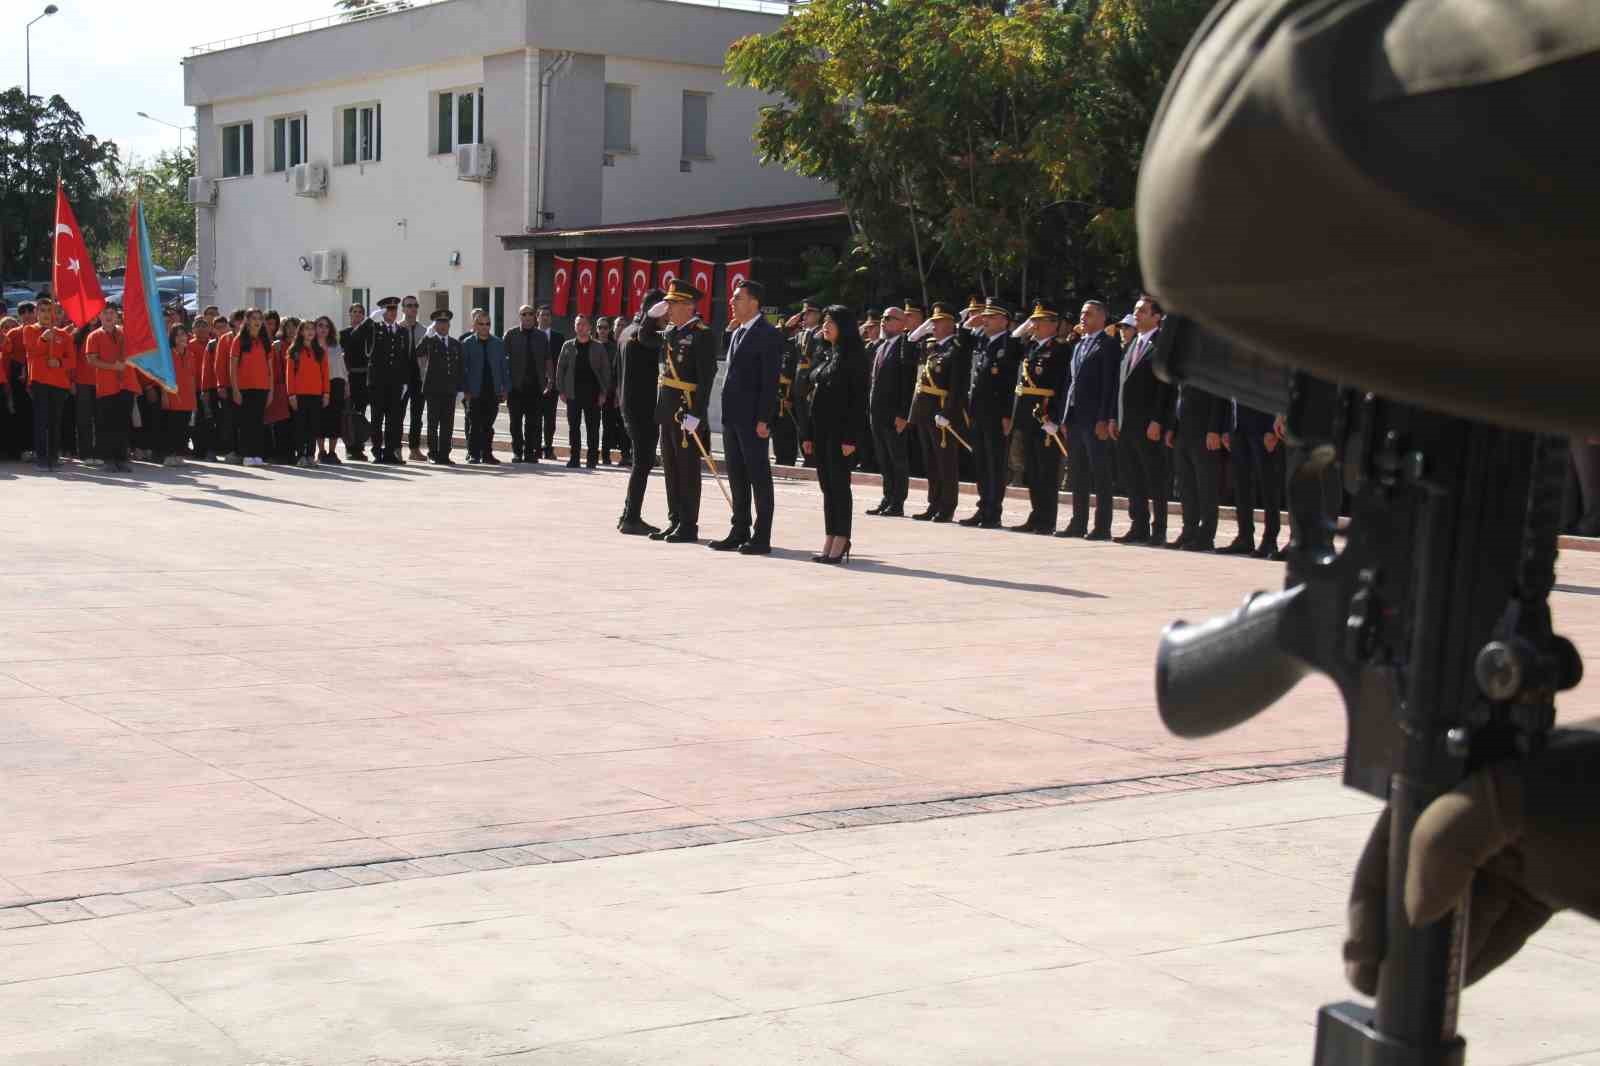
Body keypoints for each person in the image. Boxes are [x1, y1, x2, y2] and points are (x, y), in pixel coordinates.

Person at [710, 278, 784, 555]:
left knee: (758, 476)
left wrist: (764, 419)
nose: (732, 301)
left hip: (754, 419)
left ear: (754, 302)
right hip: (732, 417)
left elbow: (769, 381)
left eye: (738, 297)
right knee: (737, 476)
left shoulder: (768, 334)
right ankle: (739, 528)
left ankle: (761, 535)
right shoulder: (738, 331)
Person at [798, 304, 868, 564]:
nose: (825, 327)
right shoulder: (825, 352)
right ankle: (830, 535)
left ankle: (842, 536)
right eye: (824, 321)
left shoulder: (854, 357)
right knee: (827, 486)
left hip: (841, 433)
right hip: (821, 430)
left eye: (831, 322)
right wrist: (806, 434)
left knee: (839, 486)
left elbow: (858, 401)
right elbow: (809, 395)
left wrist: (851, 437)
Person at [652, 280, 717, 544]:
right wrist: (649, 316)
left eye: (673, 304)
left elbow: (706, 377)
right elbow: (643, 338)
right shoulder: (671, 332)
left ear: (688, 306)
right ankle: (675, 518)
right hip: (667, 408)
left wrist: (696, 415)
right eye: (667, 304)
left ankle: (689, 524)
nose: (668, 309)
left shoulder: (702, 334)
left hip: (686, 408)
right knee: (670, 466)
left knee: (687, 468)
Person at [1110, 295, 1174, 546]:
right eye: (1135, 310)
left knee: (1154, 478)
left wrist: (1158, 420)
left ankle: (1159, 530)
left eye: (1143, 311)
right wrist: (1114, 417)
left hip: (1149, 423)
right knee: (1132, 477)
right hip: (1127, 423)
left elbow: (1165, 388)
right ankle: (1139, 526)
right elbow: (1121, 385)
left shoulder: (1162, 345)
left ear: (1157, 317)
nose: (1136, 315)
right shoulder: (1130, 343)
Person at [1057, 300, 1120, 539]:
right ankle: (1078, 522)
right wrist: (1064, 414)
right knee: (1078, 472)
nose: (1083, 318)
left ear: (1103, 318)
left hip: (1095, 418)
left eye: (1089, 314)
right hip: (1074, 417)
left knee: (1100, 472)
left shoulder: (1109, 345)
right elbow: (1070, 382)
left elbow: (1109, 385)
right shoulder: (1078, 345)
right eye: (1082, 314)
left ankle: (1102, 526)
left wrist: (1104, 418)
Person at [1009, 301, 1071, 533]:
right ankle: (1035, 516)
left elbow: (1063, 385)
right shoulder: (1029, 347)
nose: (1034, 325)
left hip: (1045, 416)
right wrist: (1026, 326)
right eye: (1033, 321)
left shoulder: (1061, 349)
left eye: (1039, 321)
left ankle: (1047, 520)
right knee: (1032, 470)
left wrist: (1054, 417)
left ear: (1053, 325)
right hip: (1027, 416)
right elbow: (1011, 343)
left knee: (1046, 470)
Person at [907, 302, 970, 523]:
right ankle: (933, 503)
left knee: (946, 462)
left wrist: (948, 413)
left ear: (951, 324)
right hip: (924, 410)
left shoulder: (957, 349)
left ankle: (947, 506)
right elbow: (910, 341)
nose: (933, 325)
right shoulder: (930, 346)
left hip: (941, 411)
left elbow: (958, 387)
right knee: (931, 461)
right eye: (932, 321)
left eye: (938, 321)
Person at [960, 300, 1021, 529]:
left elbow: (1009, 384)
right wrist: (967, 325)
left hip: (997, 414)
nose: (984, 320)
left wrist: (1007, 414)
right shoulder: (982, 341)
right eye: (984, 316)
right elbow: (961, 345)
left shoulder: (1010, 344)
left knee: (995, 463)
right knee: (981, 463)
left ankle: (993, 512)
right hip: (977, 411)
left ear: (1004, 321)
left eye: (991, 317)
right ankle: (983, 506)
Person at [616, 289, 667, 536]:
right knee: (643, 462)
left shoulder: (626, 331)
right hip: (641, 407)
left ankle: (627, 513)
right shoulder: (640, 333)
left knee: (641, 461)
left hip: (628, 403)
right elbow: (650, 338)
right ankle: (632, 517)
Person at [1165, 380, 1229, 552]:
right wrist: (1172, 427)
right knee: (1187, 486)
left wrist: (1214, 429)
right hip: (1183, 430)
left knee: (1206, 486)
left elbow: (1218, 395)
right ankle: (1189, 530)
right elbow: (1179, 395)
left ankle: (1206, 536)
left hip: (1204, 430)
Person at [346, 297, 411, 463]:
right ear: (382, 312)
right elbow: (354, 337)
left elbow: (405, 358)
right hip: (377, 382)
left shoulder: (402, 331)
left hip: (395, 383)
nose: (392, 312)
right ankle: (377, 451)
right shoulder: (374, 328)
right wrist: (369, 320)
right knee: (377, 418)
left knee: (394, 419)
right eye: (388, 309)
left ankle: (390, 452)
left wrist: (404, 381)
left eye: (394, 309)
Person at [866, 306, 916, 517]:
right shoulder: (881, 346)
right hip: (877, 411)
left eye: (890, 318)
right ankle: (887, 497)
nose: (884, 322)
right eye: (883, 318)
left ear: (903, 323)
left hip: (894, 413)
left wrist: (904, 414)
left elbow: (908, 383)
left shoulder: (906, 346)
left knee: (897, 458)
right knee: (883, 458)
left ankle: (898, 502)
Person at [1220, 399, 1283, 558]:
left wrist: (1271, 427)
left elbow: (1271, 389)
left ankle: (1270, 539)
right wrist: (1226, 428)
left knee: (1268, 485)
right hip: (1237, 426)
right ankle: (1244, 537)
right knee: (1241, 484)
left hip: (1262, 426)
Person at [25, 296, 76, 470]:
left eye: (50, 311)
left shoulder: (64, 335)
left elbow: (72, 360)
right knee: (41, 420)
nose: (46, 314)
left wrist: (60, 362)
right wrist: (44, 339)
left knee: (55, 421)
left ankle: (54, 456)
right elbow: (31, 353)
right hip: (40, 381)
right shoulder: (30, 330)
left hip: (59, 384)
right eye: (43, 311)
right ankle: (41, 456)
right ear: (37, 313)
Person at [556, 314, 610, 468]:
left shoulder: (598, 347)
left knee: (593, 428)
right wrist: (561, 390)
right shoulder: (568, 345)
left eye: (584, 324)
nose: (581, 327)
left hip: (593, 394)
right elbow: (561, 368)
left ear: (590, 327)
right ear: (574, 327)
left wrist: (603, 393)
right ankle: (574, 458)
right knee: (574, 428)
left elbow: (606, 371)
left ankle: (592, 459)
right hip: (573, 393)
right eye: (578, 324)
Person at [460, 308, 509, 464]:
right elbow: (463, 369)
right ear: (475, 324)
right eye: (481, 323)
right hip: (474, 390)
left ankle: (487, 454)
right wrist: (465, 390)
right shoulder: (467, 343)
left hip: (492, 390)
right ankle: (474, 454)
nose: (484, 326)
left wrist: (505, 388)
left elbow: (504, 368)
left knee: (488, 425)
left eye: (487, 324)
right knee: (475, 424)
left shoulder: (498, 343)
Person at [504, 304, 551, 464]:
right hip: (516, 387)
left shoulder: (541, 336)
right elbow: (503, 361)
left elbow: (548, 359)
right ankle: (518, 452)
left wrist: (550, 379)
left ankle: (530, 453)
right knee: (515, 423)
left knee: (533, 422)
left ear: (534, 316)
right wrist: (504, 384)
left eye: (530, 314)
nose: (527, 317)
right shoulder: (511, 334)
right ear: (520, 316)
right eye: (524, 314)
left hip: (535, 387)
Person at [419, 309, 465, 464]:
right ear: (435, 325)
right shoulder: (430, 341)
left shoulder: (455, 343)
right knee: (433, 423)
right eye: (439, 322)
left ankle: (445, 454)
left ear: (449, 324)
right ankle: (433, 453)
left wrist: (460, 389)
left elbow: (459, 367)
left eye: (445, 322)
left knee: (447, 424)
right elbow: (417, 353)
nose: (443, 326)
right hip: (433, 390)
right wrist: (427, 336)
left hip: (450, 390)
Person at [230, 308, 273, 467]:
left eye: (259, 318)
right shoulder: (239, 340)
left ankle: (257, 454)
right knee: (246, 423)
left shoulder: (265, 341)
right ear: (247, 321)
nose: (257, 321)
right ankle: (247, 455)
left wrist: (271, 390)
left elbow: (270, 369)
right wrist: (235, 389)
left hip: (262, 387)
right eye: (253, 318)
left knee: (258, 422)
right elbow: (233, 367)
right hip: (245, 388)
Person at [285, 318, 329, 467]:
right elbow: (289, 375)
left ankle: (310, 455)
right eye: (307, 329)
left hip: (316, 394)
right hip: (299, 395)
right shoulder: (294, 351)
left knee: (313, 426)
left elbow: (325, 374)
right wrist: (291, 394)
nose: (310, 331)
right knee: (300, 426)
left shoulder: (320, 351)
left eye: (312, 329)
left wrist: (326, 393)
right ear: (301, 332)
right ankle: (301, 455)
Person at [158, 322, 198, 467]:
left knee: (183, 427)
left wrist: (193, 397)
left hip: (187, 397)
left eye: (184, 334)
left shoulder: (190, 354)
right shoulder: (167, 354)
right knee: (172, 427)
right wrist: (164, 395)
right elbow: (162, 377)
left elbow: (192, 377)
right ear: (173, 338)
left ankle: (179, 454)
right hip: (172, 395)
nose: (182, 337)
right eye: (178, 335)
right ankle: (169, 455)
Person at [339, 303, 373, 461]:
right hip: (350, 378)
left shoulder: (368, 333)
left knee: (361, 413)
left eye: (360, 312)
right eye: (354, 312)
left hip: (364, 378)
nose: (357, 314)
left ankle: (359, 447)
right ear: (350, 314)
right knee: (349, 414)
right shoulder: (344, 334)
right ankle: (350, 447)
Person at [595, 316, 630, 466]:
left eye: (605, 327)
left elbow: (619, 372)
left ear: (609, 330)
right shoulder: (591, 345)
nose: (603, 330)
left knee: (614, 425)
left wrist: (617, 392)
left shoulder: (615, 347)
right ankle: (599, 454)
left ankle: (616, 455)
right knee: (596, 425)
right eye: (600, 327)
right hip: (594, 392)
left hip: (612, 393)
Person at [399, 296, 429, 461]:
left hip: (418, 377)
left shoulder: (423, 330)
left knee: (417, 415)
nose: (413, 308)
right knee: (398, 414)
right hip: (401, 378)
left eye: (415, 305)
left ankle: (414, 449)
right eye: (409, 305)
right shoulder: (396, 328)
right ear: (403, 309)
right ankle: (396, 447)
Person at [315, 317, 347, 464]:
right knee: (320, 418)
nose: (323, 329)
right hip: (318, 385)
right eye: (320, 326)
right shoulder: (311, 345)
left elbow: (342, 367)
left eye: (326, 326)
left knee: (335, 418)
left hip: (337, 383)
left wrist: (347, 384)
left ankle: (333, 452)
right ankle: (321, 452)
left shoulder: (335, 345)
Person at [535, 305, 563, 459]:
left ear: (551, 318)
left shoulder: (559, 337)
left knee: (550, 419)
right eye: (542, 315)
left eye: (547, 315)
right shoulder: (531, 335)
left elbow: (561, 361)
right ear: (537, 317)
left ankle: (548, 448)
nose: (545, 317)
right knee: (536, 417)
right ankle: (536, 447)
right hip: (535, 383)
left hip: (553, 384)